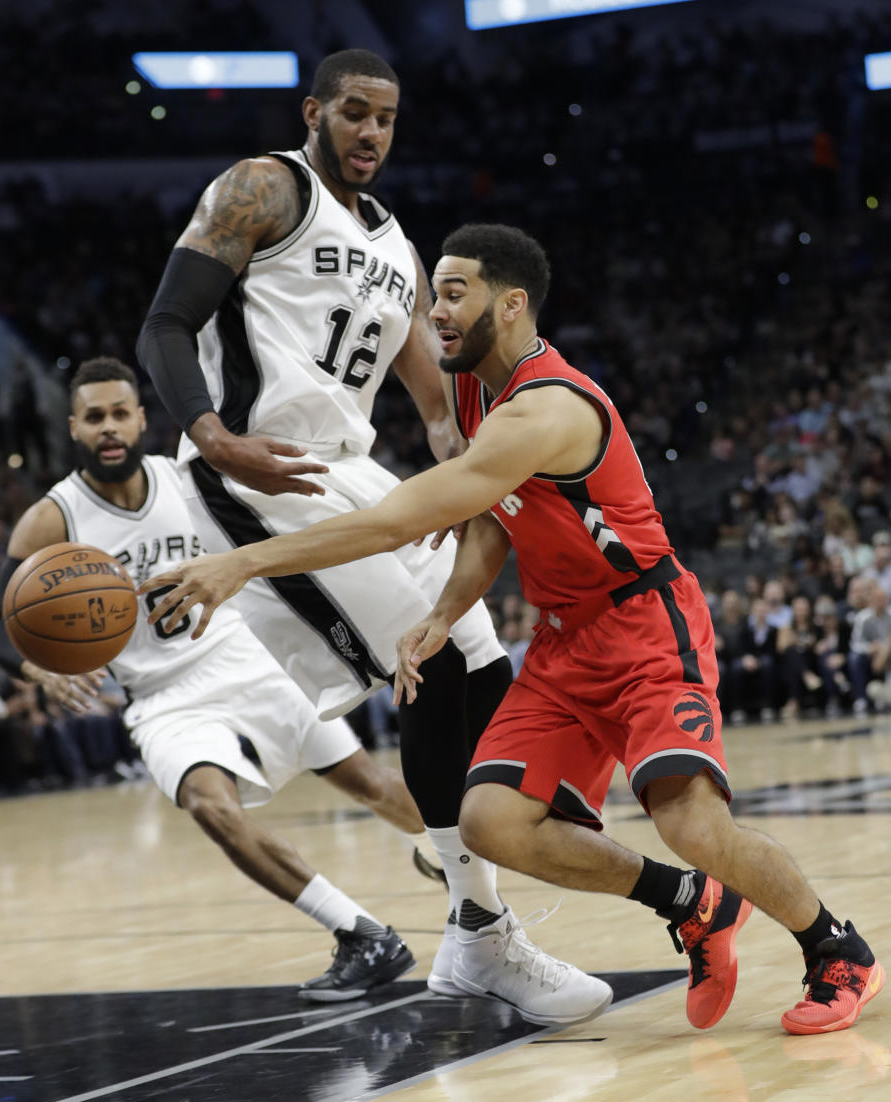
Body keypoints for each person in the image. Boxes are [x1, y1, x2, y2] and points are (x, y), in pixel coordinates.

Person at [144, 224, 885, 1036]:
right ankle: (697, 907)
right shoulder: (477, 387)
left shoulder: (546, 408)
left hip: (644, 624)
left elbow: (399, 521)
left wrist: (243, 562)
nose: (436, 316)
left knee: (692, 823)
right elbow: (495, 522)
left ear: (514, 301)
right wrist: (441, 614)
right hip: (566, 641)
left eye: (454, 294)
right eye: (434, 299)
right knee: (491, 823)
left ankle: (835, 947)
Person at [137, 49, 608, 1025]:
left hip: (353, 468)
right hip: (259, 466)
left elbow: (434, 408)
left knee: (477, 651)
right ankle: (479, 922)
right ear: (315, 110)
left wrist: (475, 482)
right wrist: (215, 436)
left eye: (387, 120)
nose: (371, 134)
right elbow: (164, 328)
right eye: (354, 113)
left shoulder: (398, 244)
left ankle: (461, 879)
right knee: (447, 669)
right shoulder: (265, 187)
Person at [0, 355, 432, 1002]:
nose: (108, 428)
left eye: (119, 413)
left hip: (242, 657)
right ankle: (361, 934)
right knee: (209, 806)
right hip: (162, 698)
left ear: (140, 418)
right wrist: (37, 670)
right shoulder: (54, 519)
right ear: (74, 427)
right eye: (93, 418)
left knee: (372, 784)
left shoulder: (187, 479)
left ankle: (471, 877)